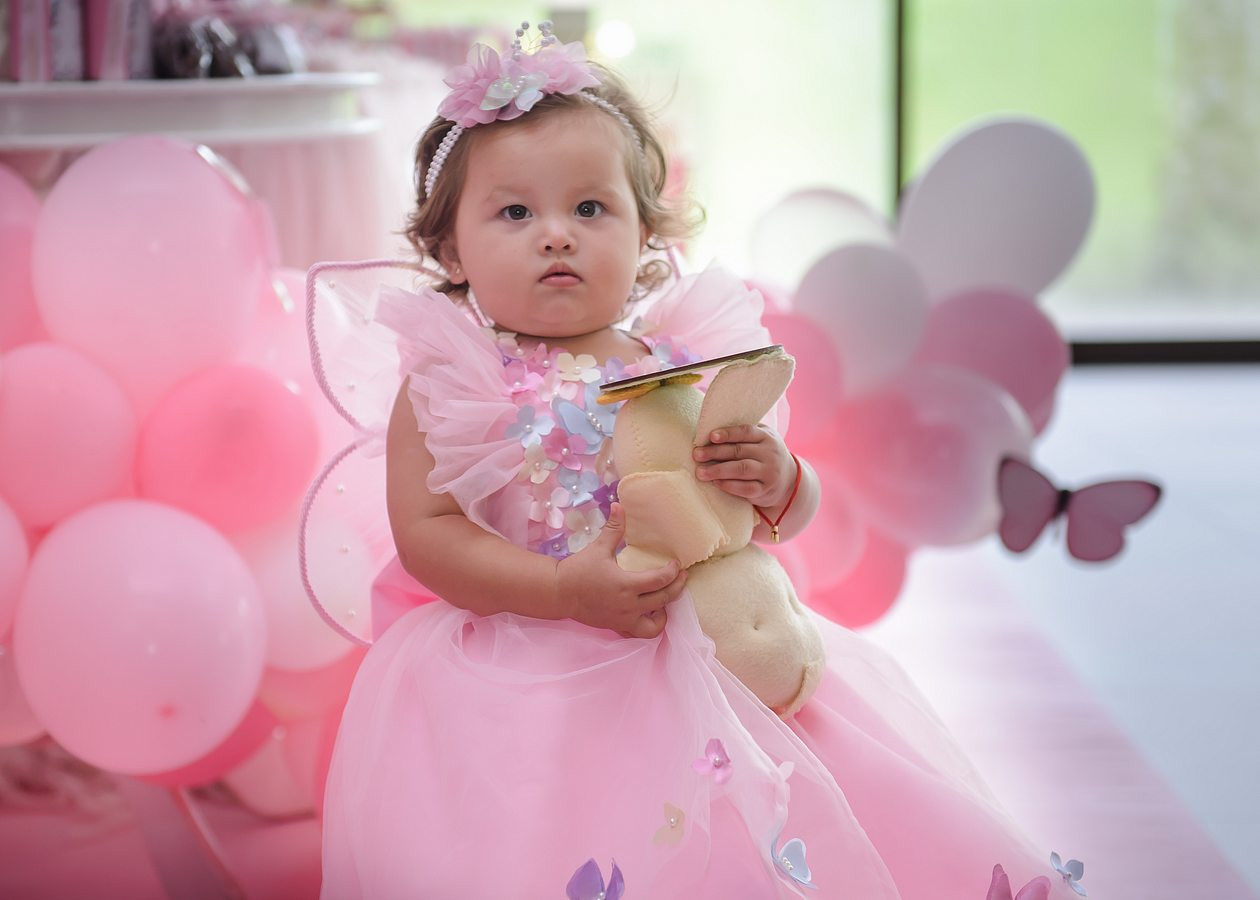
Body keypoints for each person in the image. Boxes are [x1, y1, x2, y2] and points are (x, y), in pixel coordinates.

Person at [317, 22, 1081, 900]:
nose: (556, 235)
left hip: (708, 647)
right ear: (451, 248)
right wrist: (560, 589)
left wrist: (782, 481)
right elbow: (427, 534)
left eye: (590, 209)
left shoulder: (682, 361)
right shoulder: (453, 383)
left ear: (646, 231)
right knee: (552, 838)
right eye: (515, 212)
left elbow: (765, 517)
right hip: (529, 654)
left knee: (766, 827)